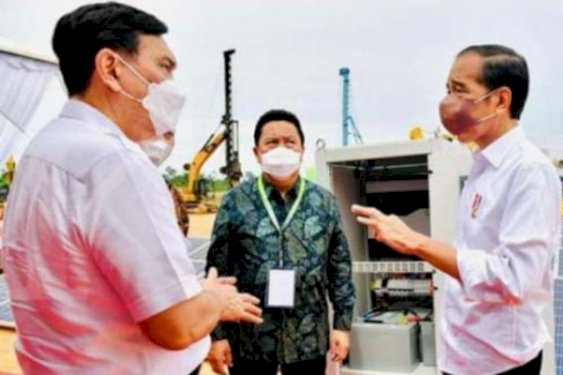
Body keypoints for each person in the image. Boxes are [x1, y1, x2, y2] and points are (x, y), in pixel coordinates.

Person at [1, 3, 262, 374]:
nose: (172, 87)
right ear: (111, 68)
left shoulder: (42, 152)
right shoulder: (114, 163)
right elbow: (177, 325)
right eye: (164, 67)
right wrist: (214, 298)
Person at [352, 44, 559, 375]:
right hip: (464, 356)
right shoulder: (482, 164)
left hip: (500, 364)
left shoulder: (528, 171)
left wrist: (416, 243)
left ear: (501, 100)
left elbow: (515, 279)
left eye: (460, 90)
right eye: (448, 90)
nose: (449, 102)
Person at [205, 109, 355, 375]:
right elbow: (217, 273)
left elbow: (340, 267)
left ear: (302, 149)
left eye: (289, 142)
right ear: (256, 152)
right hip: (250, 338)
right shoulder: (234, 201)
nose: (281, 149)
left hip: (308, 337)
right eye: (271, 143)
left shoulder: (324, 202)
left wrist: (342, 325)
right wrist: (218, 336)